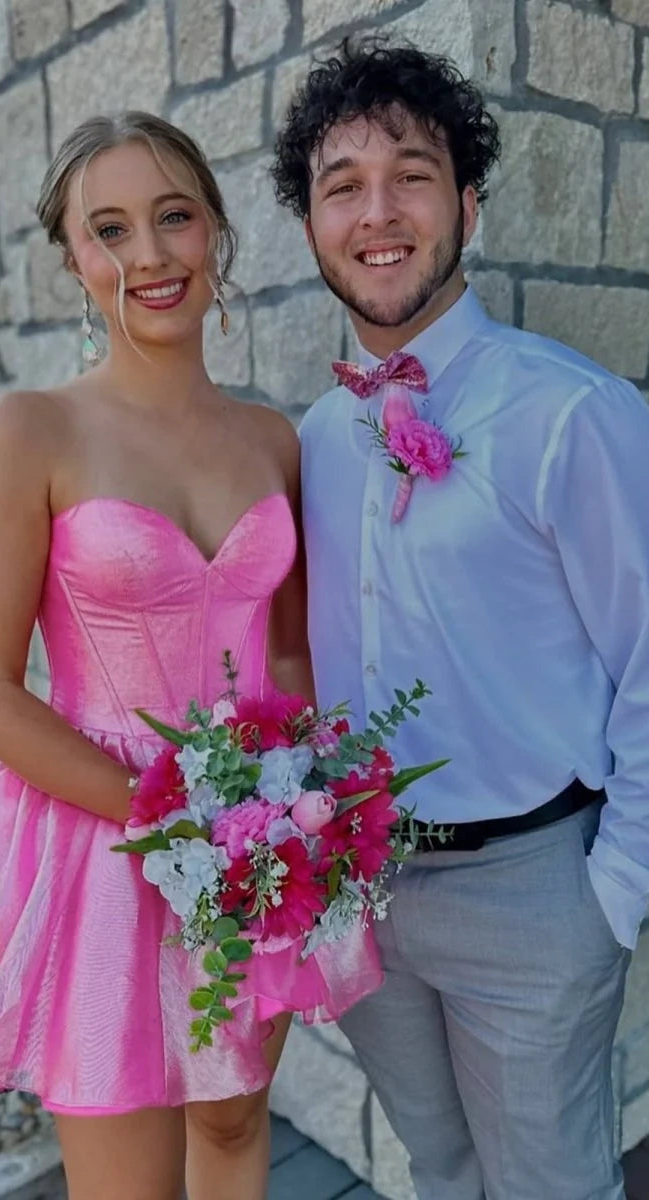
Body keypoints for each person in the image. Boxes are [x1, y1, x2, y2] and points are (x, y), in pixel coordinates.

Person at [0, 112, 383, 1200]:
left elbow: (288, 654)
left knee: (235, 1123)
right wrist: (171, 820)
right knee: (127, 1180)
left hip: (256, 834)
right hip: (100, 840)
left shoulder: (270, 440)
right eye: (109, 229)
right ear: (72, 259)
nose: (148, 254)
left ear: (214, 232)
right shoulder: (26, 433)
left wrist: (301, 813)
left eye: (172, 216)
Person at [272, 36, 649, 1200]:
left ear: (467, 204)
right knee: (437, 1173)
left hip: (530, 894)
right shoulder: (308, 441)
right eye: (341, 186)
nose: (376, 213)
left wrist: (611, 896)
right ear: (310, 226)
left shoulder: (568, 414)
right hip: (361, 884)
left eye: (412, 176)